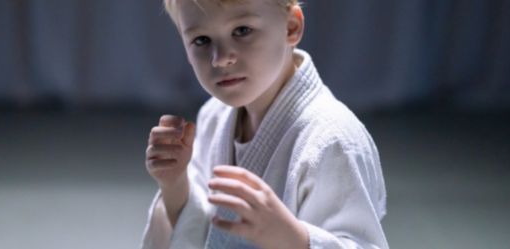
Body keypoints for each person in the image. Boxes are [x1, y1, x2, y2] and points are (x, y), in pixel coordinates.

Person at [141, 0, 389, 248]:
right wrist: (174, 184)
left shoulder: (333, 140)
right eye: (202, 40)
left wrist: (294, 239)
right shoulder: (213, 117)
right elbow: (207, 235)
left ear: (291, 27)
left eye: (242, 31)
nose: (220, 58)